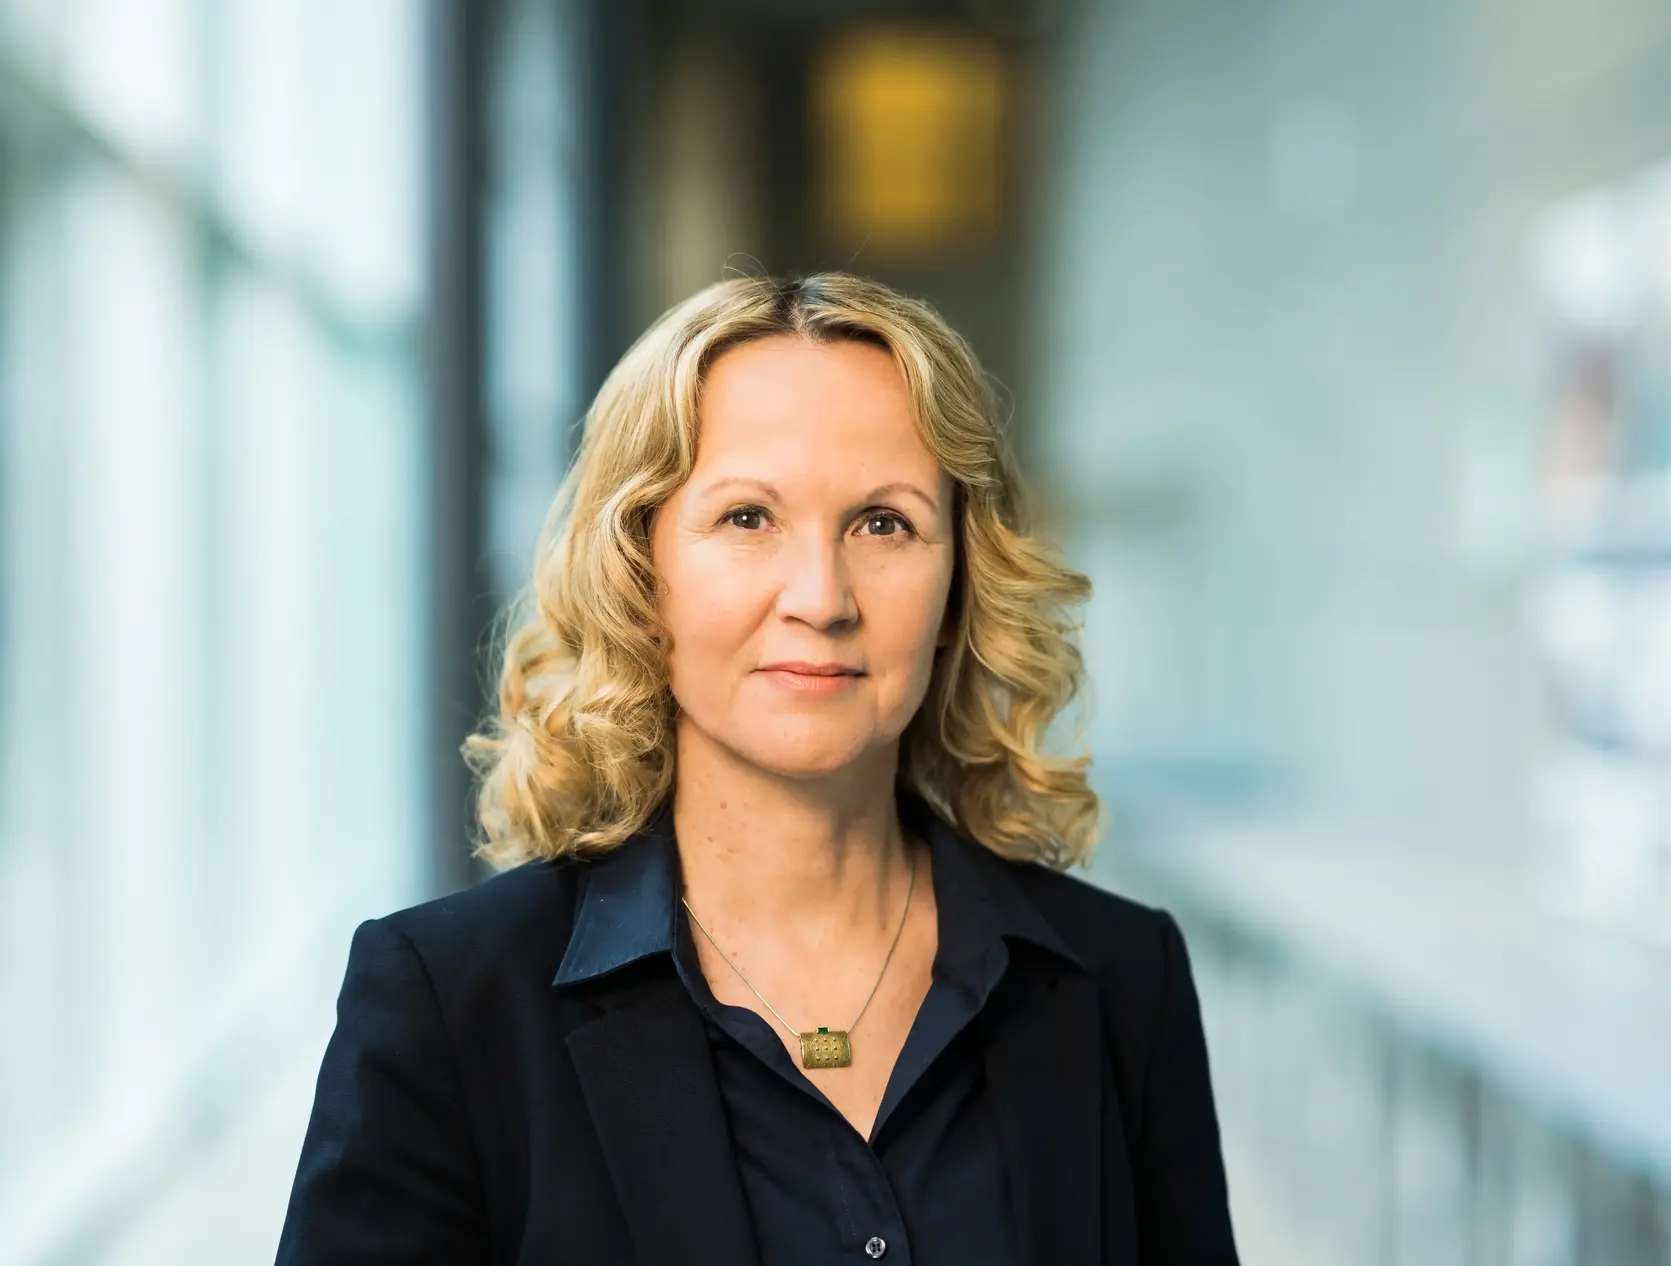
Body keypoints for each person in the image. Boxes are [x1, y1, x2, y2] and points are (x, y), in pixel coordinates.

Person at [274, 272, 1239, 1266]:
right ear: (640, 573)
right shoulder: (450, 1004)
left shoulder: (1126, 982)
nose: (821, 598)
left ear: (959, 589)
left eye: (884, 522)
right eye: (747, 519)